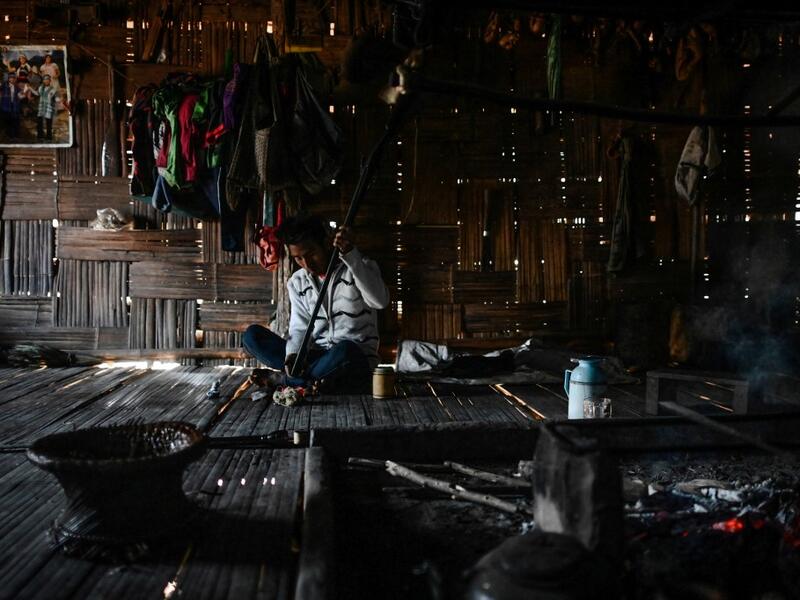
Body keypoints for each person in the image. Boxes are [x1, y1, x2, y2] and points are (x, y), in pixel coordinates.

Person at [243, 214, 390, 393]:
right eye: (298, 258)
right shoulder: (297, 282)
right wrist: (292, 357)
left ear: (327, 243)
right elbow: (299, 329)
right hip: (317, 358)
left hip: (353, 359)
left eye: (311, 254)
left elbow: (380, 301)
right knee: (252, 336)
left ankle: (286, 381)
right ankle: (309, 379)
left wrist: (351, 255)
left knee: (345, 350)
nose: (307, 264)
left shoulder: (360, 267)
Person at [31, 74, 57, 140]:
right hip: (41, 107)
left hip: (48, 107)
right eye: (45, 79)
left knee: (48, 122)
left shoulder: (53, 89)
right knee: (39, 121)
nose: (46, 81)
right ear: (43, 81)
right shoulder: (41, 88)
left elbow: (54, 97)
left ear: (50, 81)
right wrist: (30, 88)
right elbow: (37, 93)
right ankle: (40, 136)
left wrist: (58, 100)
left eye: (47, 79)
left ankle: (49, 136)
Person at [0, 73, 22, 139]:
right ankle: (9, 135)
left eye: (13, 78)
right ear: (9, 79)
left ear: (15, 79)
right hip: (6, 106)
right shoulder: (4, 85)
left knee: (14, 120)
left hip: (14, 106)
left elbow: (20, 96)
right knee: (7, 121)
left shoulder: (16, 87)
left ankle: (14, 135)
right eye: (10, 78)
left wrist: (24, 93)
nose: (12, 79)